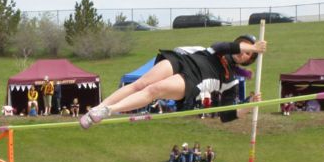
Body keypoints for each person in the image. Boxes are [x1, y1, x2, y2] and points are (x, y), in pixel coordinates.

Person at [79, 35, 267, 128]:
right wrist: (253, 46)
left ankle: (108, 110)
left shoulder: (231, 80)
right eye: (244, 47)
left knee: (155, 90)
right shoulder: (218, 49)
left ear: (249, 60)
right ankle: (96, 110)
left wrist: (248, 106)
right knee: (141, 83)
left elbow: (226, 116)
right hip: (182, 61)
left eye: (249, 54)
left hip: (194, 80)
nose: (244, 53)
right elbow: (228, 46)